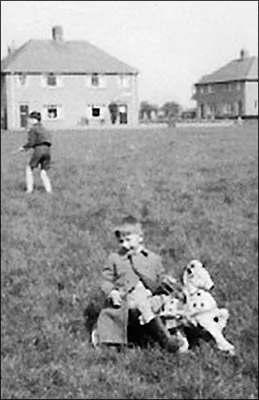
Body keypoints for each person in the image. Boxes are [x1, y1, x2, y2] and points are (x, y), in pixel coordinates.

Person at [95, 215, 188, 353]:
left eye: (128, 240)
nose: (124, 245)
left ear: (140, 238)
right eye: (121, 241)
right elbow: (105, 281)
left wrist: (166, 282)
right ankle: (166, 341)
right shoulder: (114, 258)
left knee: (171, 303)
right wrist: (112, 292)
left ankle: (182, 331)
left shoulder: (152, 258)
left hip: (152, 296)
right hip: (128, 300)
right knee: (141, 304)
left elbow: (160, 277)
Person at [12, 111, 52, 194]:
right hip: (47, 150)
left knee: (29, 169)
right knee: (43, 171)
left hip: (39, 150)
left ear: (33, 119)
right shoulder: (44, 128)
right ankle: (49, 191)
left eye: (30, 119)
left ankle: (29, 190)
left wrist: (22, 148)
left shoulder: (33, 129)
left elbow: (32, 143)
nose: (29, 121)